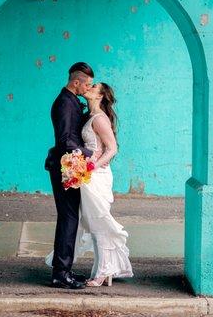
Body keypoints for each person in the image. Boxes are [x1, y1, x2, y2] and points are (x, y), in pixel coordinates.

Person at [75, 82, 133, 287]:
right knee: (94, 222)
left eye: (94, 87)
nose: (89, 87)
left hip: (96, 175)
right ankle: (103, 269)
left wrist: (91, 166)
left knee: (99, 221)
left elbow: (112, 149)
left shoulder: (99, 119)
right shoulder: (90, 116)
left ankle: (103, 271)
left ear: (100, 96)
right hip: (90, 175)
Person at [44, 62, 95, 289]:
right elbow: (65, 140)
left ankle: (66, 270)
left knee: (70, 218)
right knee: (68, 218)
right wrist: (89, 153)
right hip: (64, 167)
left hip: (70, 166)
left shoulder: (73, 100)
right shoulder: (65, 103)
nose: (88, 89)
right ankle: (60, 274)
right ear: (76, 82)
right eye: (88, 85)